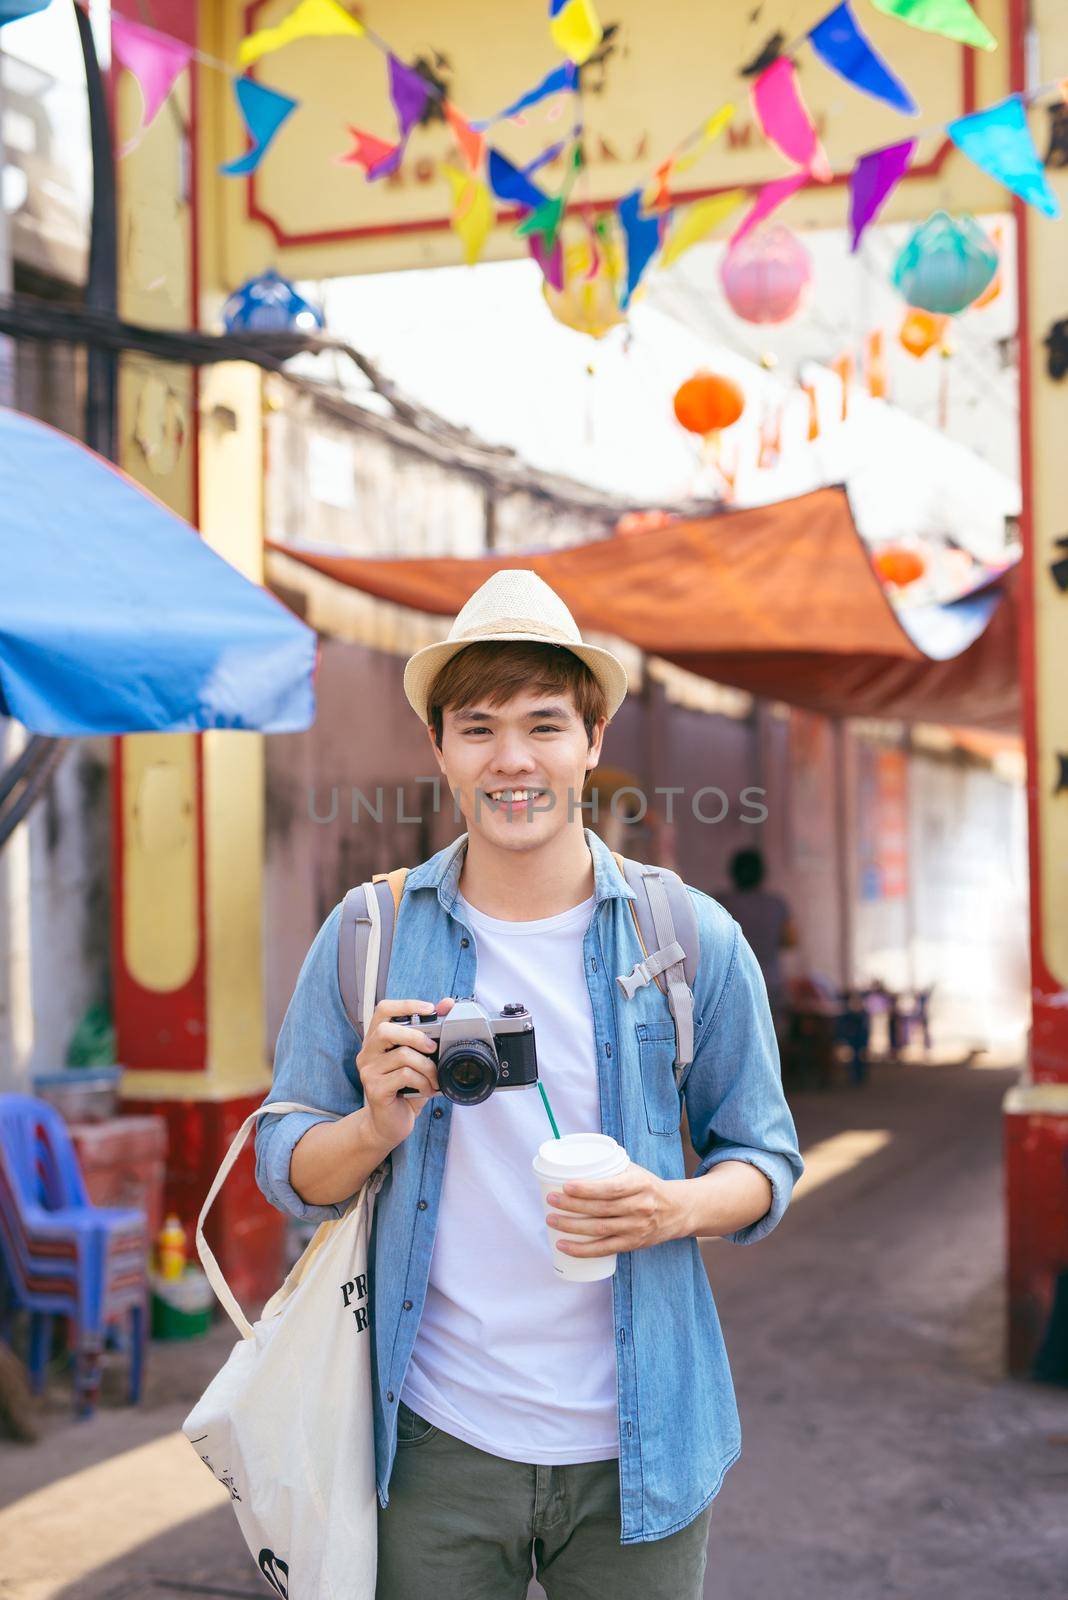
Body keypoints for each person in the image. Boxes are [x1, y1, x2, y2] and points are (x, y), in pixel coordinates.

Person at [255, 570, 803, 1600]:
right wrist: (374, 1123)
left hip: (643, 1448)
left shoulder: (686, 938)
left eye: (545, 725)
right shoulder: (369, 935)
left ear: (593, 741)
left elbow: (765, 1160)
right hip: (432, 1447)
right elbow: (286, 1165)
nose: (513, 760)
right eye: (478, 728)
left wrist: (668, 1206)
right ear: (441, 751)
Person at [718, 848, 797, 1034]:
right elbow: (791, 941)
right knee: (770, 1039)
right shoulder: (776, 904)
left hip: (731, 985)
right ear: (762, 874)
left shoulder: (720, 904)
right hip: (770, 983)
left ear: (732, 873)